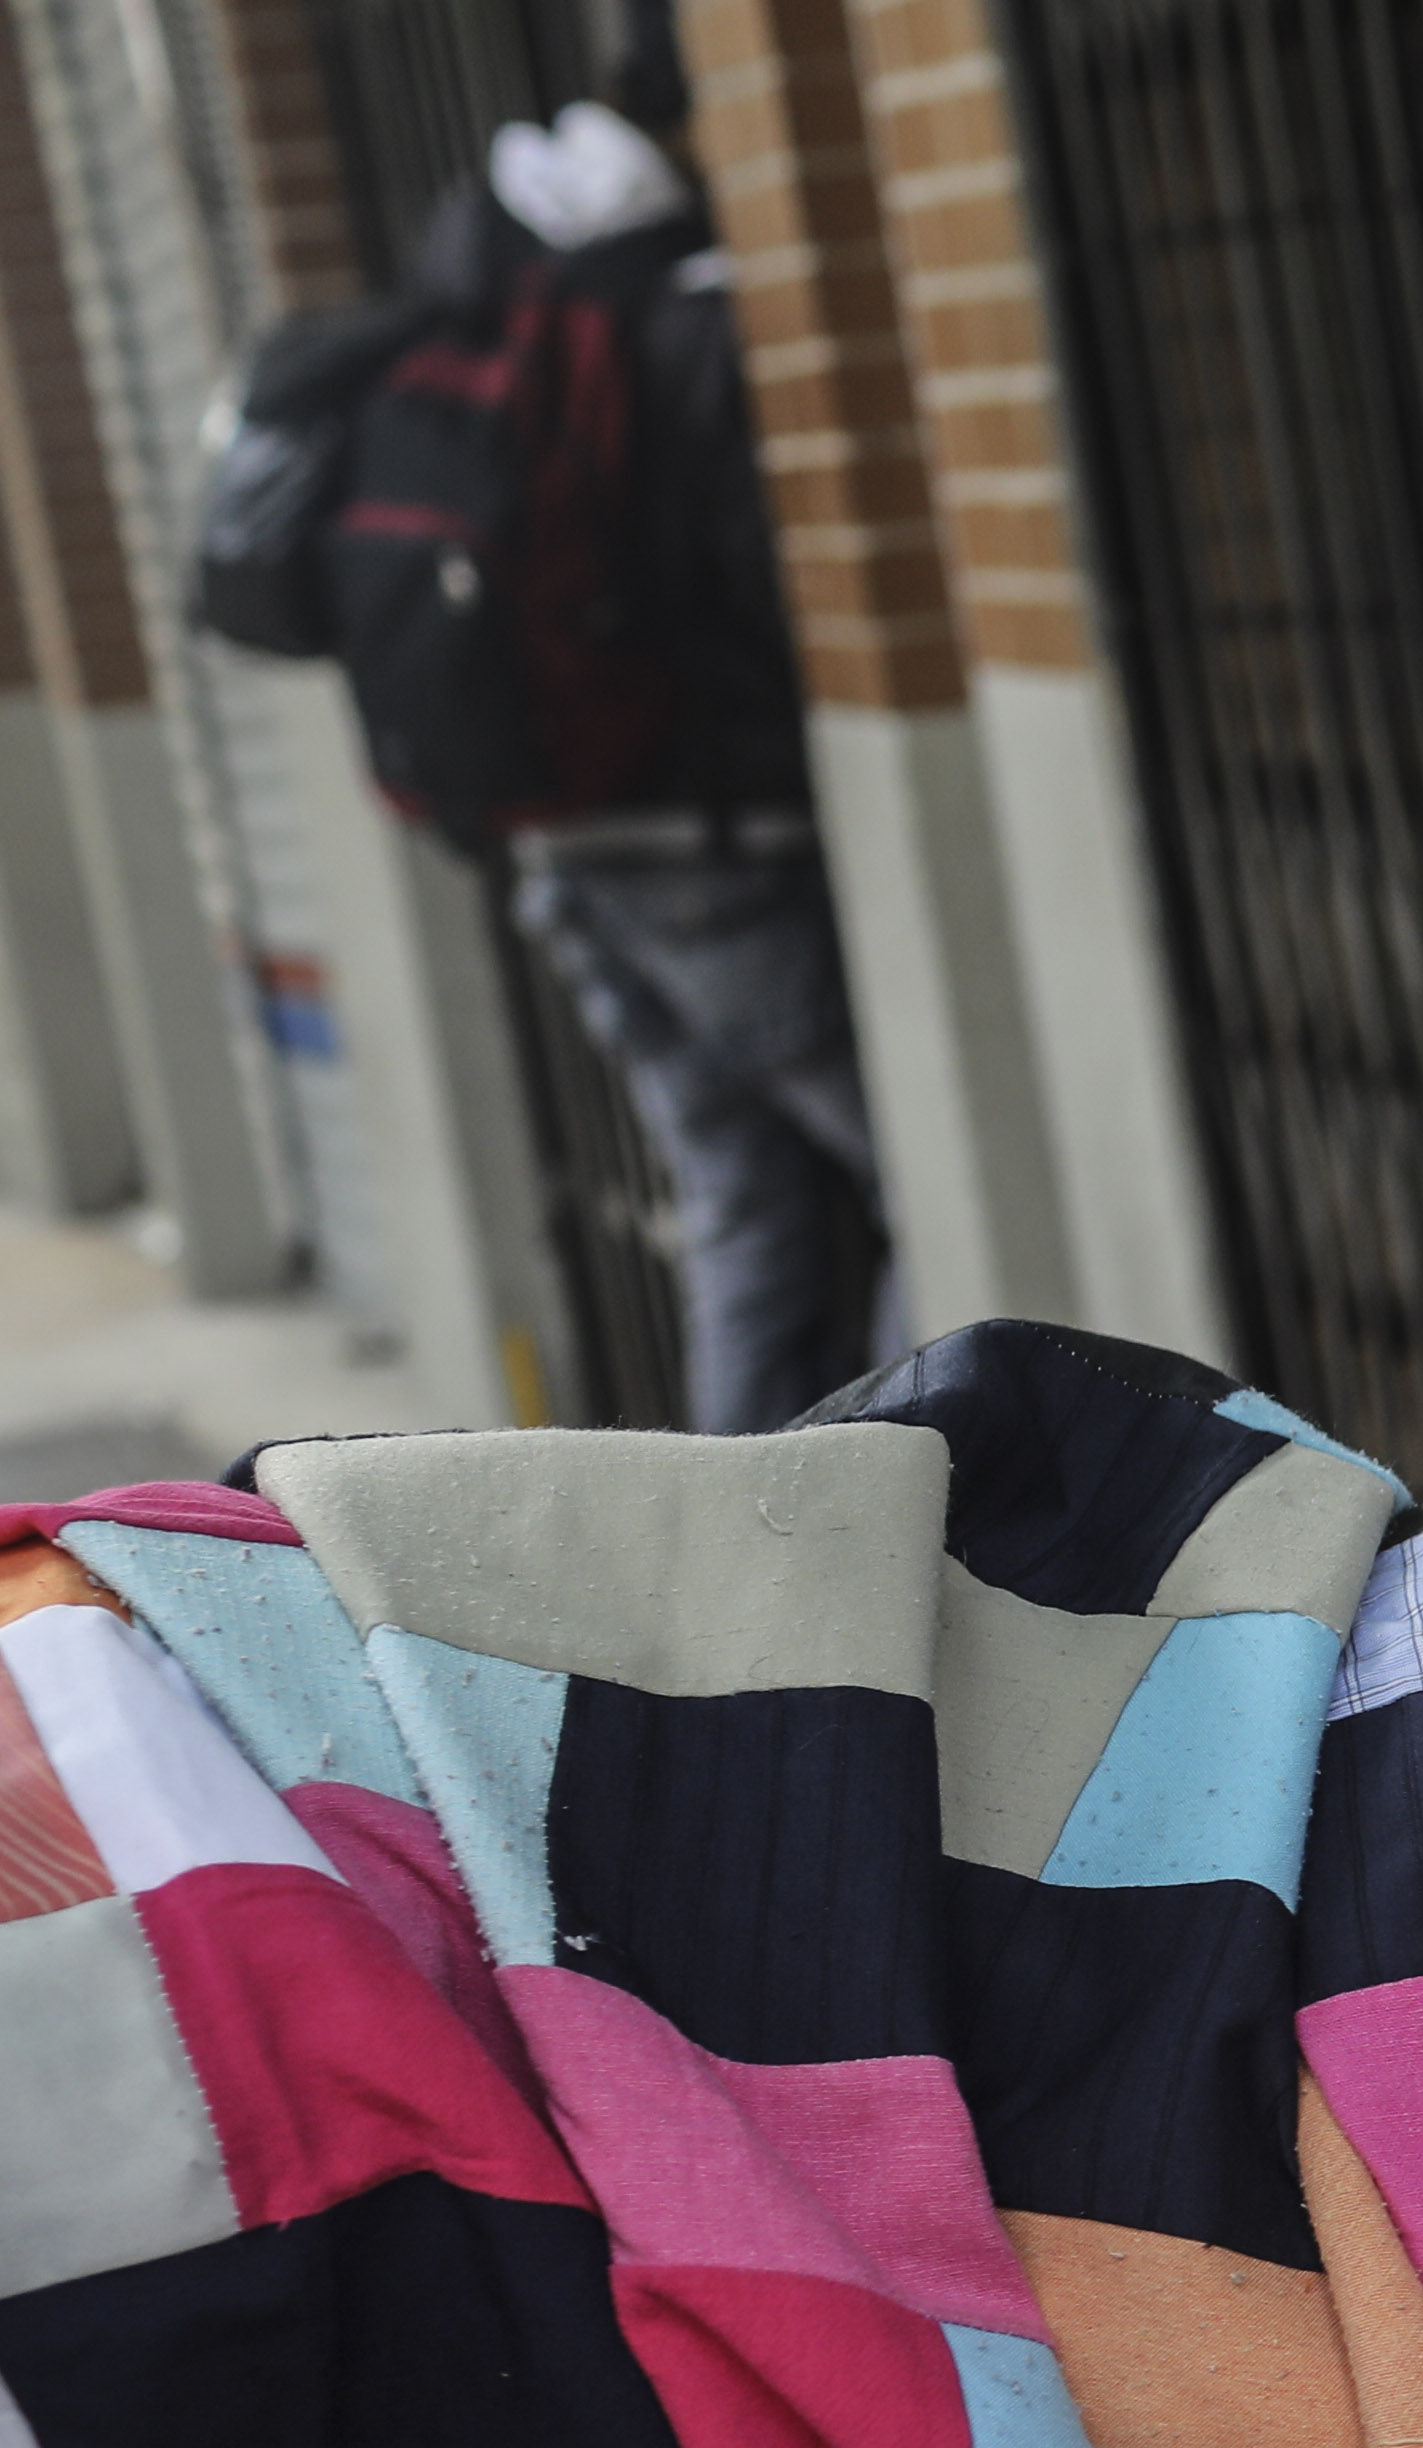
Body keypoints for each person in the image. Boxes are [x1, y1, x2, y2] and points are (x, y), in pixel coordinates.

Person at [462, 67, 896, 1434]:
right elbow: (772, 580)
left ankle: (748, 1560)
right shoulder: (702, 325)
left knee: (739, 1205)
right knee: (933, 1177)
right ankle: (930, 1484)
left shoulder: (526, 319)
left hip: (573, 845)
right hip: (720, 846)